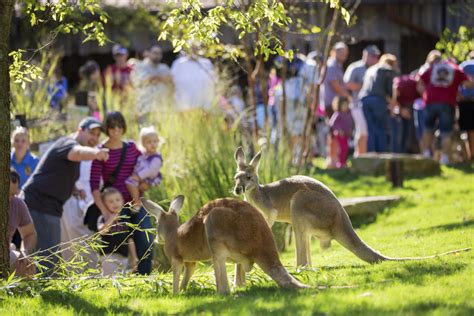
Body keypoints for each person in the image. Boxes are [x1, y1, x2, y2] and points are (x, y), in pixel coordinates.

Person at [21, 117, 108, 274]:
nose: (94, 138)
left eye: (98, 135)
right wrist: (96, 153)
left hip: (46, 206)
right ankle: (46, 293)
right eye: (91, 133)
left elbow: (56, 172)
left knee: (44, 256)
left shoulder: (70, 152)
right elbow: (77, 153)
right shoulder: (68, 143)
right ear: (79, 130)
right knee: (48, 258)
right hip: (40, 204)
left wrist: (73, 188)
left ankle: (35, 290)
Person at [90, 111, 154, 275]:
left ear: (123, 127)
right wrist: (105, 212)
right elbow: (94, 186)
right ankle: (112, 277)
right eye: (112, 126)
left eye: (119, 126)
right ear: (107, 128)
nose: (116, 130)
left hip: (136, 202)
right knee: (115, 249)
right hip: (115, 207)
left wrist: (147, 183)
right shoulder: (101, 151)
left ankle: (144, 276)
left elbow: (145, 167)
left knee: (146, 239)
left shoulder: (132, 148)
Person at [417, 57, 473, 164]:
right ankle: (445, 159)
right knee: (446, 132)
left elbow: (419, 81)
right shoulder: (456, 69)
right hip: (447, 103)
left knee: (428, 130)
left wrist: (424, 94)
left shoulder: (433, 68)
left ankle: (426, 155)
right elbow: (468, 83)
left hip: (430, 102)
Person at [344, 45, 381, 156]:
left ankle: (360, 155)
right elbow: (347, 84)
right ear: (365, 55)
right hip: (357, 104)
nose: (375, 59)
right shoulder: (355, 67)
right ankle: (360, 155)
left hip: (371, 106)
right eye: (372, 56)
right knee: (362, 130)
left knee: (364, 131)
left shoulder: (377, 69)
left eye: (376, 56)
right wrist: (365, 87)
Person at [360, 54, 399, 153]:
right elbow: (390, 90)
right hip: (378, 101)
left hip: (364, 100)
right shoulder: (387, 70)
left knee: (371, 128)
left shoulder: (370, 69)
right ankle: (381, 154)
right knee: (381, 128)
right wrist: (393, 105)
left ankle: (371, 153)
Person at [322, 42, 351, 167]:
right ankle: (332, 159)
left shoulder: (338, 66)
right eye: (341, 53)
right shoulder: (332, 65)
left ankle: (335, 159)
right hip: (332, 104)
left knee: (336, 133)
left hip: (336, 104)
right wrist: (347, 96)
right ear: (334, 51)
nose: (344, 56)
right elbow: (334, 84)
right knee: (334, 133)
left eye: (345, 54)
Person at [97, 188, 137, 276]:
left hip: (123, 256)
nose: (115, 203)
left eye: (118, 200)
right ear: (105, 204)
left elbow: (130, 239)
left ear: (122, 201)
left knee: (120, 280)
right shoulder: (103, 218)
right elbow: (102, 231)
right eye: (111, 202)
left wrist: (134, 258)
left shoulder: (125, 219)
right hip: (108, 256)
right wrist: (113, 217)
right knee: (109, 280)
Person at [131, 45, 174, 124]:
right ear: (148, 53)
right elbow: (138, 83)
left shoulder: (164, 68)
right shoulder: (140, 66)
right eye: (155, 53)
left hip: (161, 108)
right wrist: (159, 78)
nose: (157, 55)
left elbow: (171, 82)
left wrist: (153, 78)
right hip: (145, 108)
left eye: (159, 53)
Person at [125, 126, 163, 210]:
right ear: (143, 144)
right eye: (149, 142)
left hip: (149, 179)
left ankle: (137, 202)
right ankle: (137, 200)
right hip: (142, 177)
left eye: (155, 141)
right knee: (133, 185)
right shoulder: (144, 154)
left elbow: (151, 170)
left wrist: (138, 176)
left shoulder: (156, 157)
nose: (152, 144)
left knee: (130, 182)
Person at [9, 169, 37, 277]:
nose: (10, 198)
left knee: (27, 266)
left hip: (5, 253)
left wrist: (24, 252)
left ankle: (17, 293)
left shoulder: (17, 203)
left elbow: (29, 234)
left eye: (13, 194)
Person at [171, 47, 216, 112]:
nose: (194, 51)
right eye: (192, 48)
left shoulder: (206, 63)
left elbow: (212, 82)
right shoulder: (178, 63)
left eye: (196, 48)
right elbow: (172, 82)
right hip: (184, 106)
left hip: (204, 106)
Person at [328, 97, 354, 168]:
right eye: (343, 105)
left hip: (346, 135)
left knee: (346, 148)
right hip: (340, 135)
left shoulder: (349, 113)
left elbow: (351, 123)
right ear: (339, 105)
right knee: (342, 148)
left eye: (346, 104)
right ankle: (340, 163)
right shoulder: (338, 114)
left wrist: (350, 130)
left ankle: (344, 162)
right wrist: (339, 130)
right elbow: (332, 123)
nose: (345, 106)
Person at [458, 50, 474, 161]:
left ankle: (471, 155)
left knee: (469, 131)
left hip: (465, 102)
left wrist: (459, 95)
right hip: (467, 101)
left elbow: (456, 81)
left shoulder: (463, 65)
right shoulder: (464, 66)